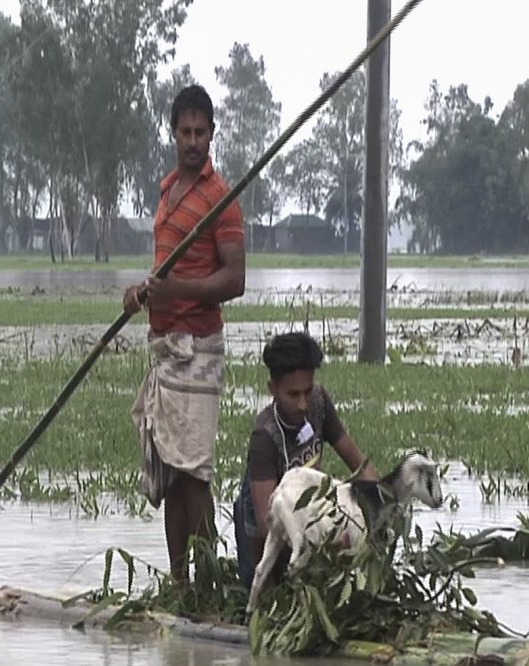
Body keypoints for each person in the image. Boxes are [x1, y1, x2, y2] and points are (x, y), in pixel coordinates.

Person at [123, 83, 246, 586]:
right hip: (165, 347)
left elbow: (234, 280)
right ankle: (180, 582)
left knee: (195, 470)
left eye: (201, 132)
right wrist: (142, 293)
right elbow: (160, 273)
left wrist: (177, 289)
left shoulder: (222, 200)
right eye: (185, 131)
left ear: (212, 135)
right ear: (173, 134)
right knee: (173, 472)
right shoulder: (167, 190)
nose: (193, 140)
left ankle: (209, 577)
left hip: (198, 348)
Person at [234, 332, 379, 589]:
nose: (303, 404)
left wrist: (380, 508)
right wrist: (320, 545)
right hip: (266, 523)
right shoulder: (265, 437)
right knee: (267, 590)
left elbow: (359, 464)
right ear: (273, 389)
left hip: (306, 510)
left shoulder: (319, 402)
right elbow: (267, 524)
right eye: (293, 395)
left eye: (307, 391)